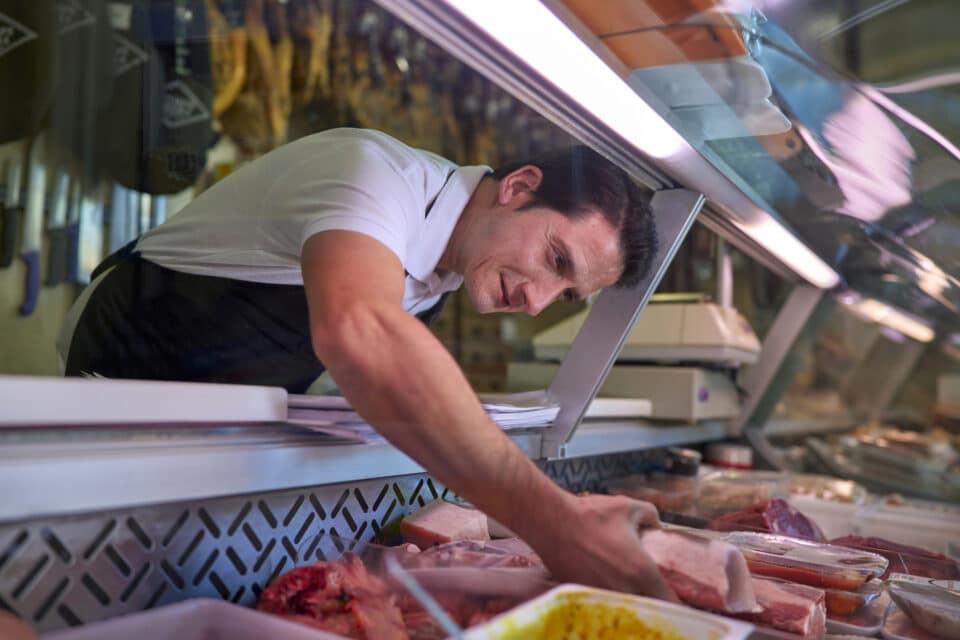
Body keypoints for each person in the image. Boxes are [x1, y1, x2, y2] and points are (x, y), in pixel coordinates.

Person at [57, 127, 674, 599]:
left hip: (215, 445)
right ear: (517, 188)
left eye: (565, 295)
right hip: (115, 397)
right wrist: (553, 522)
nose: (537, 301)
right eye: (556, 260)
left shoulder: (449, 265)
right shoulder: (380, 178)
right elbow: (357, 330)